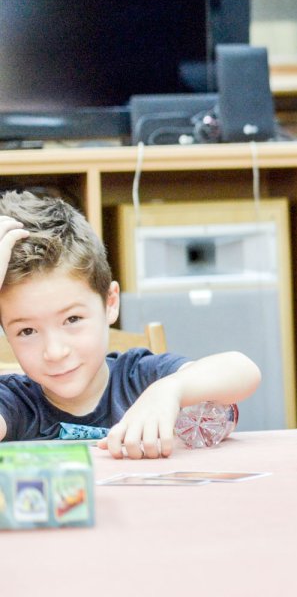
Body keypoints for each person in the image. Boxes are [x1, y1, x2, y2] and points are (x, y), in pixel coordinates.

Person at [0, 191, 261, 457]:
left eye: (72, 319)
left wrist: (171, 390)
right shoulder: (14, 403)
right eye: (27, 331)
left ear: (110, 303)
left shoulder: (140, 378)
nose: (55, 352)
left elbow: (244, 370)